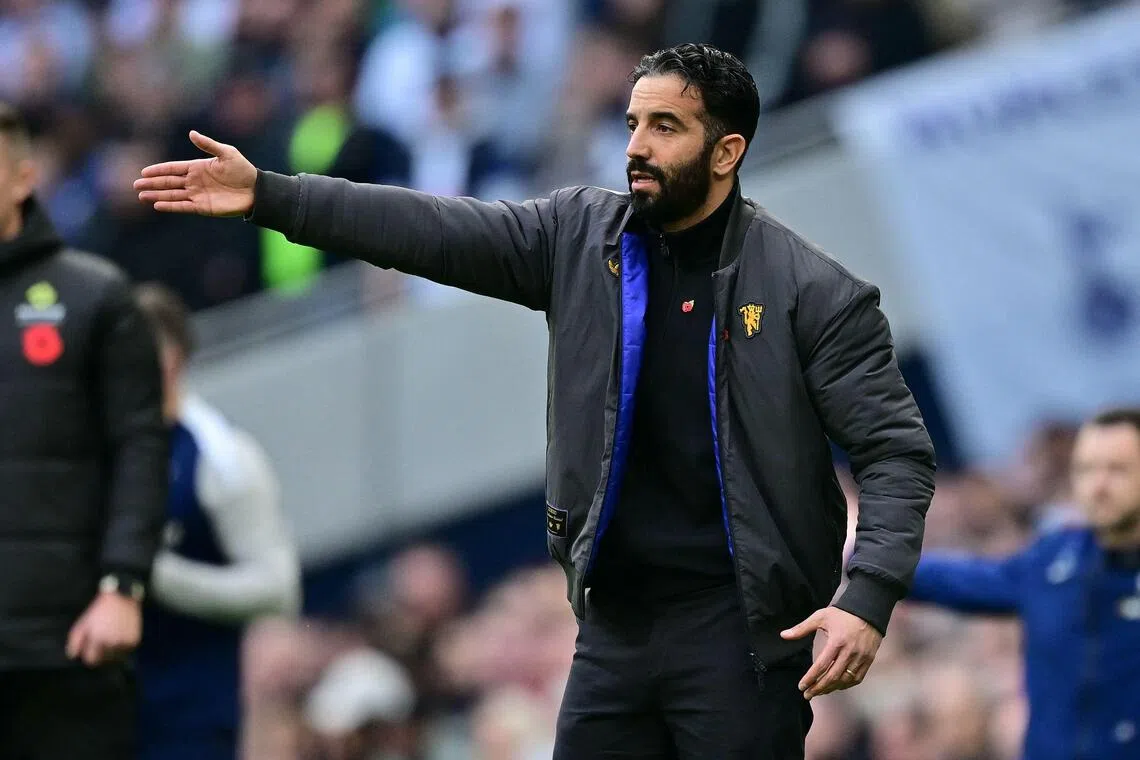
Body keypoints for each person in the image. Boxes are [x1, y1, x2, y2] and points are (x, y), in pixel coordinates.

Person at [135, 43, 936, 759]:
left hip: (741, 637)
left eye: (665, 128)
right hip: (613, 628)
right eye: (631, 123)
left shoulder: (814, 295)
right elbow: (430, 229)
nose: (635, 148)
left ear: (727, 151)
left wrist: (864, 597)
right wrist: (272, 196)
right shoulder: (579, 240)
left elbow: (895, 452)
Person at [0, 103, 168, 758]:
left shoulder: (96, 297)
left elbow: (140, 448)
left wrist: (121, 586)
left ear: (22, 179)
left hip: (65, 649)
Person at [907, 407, 1140, 760]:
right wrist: (868, 556)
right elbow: (965, 580)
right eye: (1087, 470)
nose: (1098, 485)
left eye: (1117, 470)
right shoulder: (1055, 559)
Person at [131, 282, 303, 760]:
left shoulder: (222, 457)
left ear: (172, 360)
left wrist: (158, 576)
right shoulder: (86, 447)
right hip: (93, 708)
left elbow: (277, 588)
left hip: (188, 717)